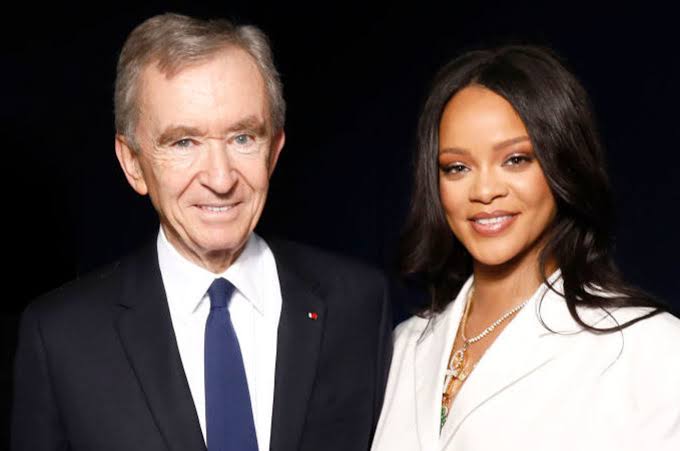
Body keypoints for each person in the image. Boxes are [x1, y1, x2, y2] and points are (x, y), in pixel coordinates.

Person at [12, 13, 392, 451]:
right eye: (184, 142)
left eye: (242, 138)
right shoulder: (61, 337)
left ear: (274, 151)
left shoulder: (358, 305)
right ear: (133, 163)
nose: (220, 178)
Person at [371, 45, 680, 451]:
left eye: (515, 160)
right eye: (457, 167)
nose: (485, 191)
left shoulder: (651, 349)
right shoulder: (403, 348)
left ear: (562, 164)